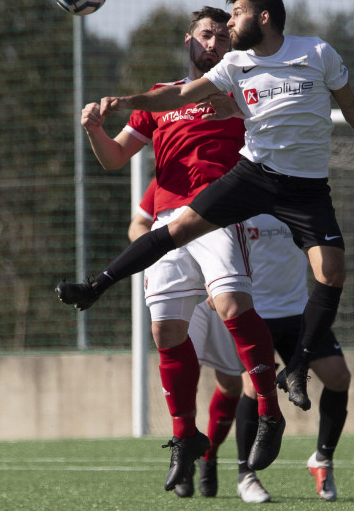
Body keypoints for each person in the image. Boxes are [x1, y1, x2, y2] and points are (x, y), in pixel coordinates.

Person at [57, 0, 354, 417]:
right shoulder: (232, 66)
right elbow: (177, 98)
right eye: (211, 30)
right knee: (176, 235)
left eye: (233, 18)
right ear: (191, 39)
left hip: (306, 188)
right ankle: (97, 286)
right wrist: (124, 104)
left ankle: (295, 368)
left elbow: (350, 106)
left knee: (331, 272)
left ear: (262, 18)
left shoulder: (315, 53)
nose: (224, 30)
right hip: (253, 177)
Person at [62, 6, 284, 491]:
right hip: (165, 224)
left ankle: (269, 411)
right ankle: (186, 438)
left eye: (223, 39)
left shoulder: (241, 91)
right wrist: (94, 130)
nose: (214, 44)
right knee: (165, 331)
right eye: (207, 35)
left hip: (218, 215)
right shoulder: (161, 98)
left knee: (231, 304)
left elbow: (277, 135)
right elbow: (116, 158)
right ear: (188, 41)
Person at [129, 180, 244, 500]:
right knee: (183, 373)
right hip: (183, 290)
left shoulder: (234, 175)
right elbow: (138, 224)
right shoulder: (167, 179)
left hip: (220, 292)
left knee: (231, 383)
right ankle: (184, 453)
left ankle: (209, 454)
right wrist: (156, 247)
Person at [232, 213, 351, 502]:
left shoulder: (297, 200)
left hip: (300, 312)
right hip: (255, 312)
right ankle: (245, 475)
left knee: (338, 377)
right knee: (252, 386)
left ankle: (322, 460)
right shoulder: (240, 200)